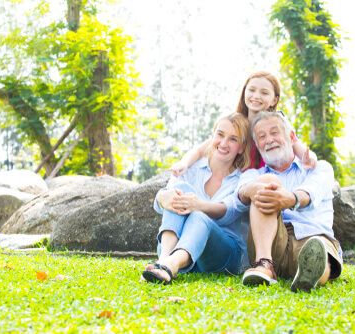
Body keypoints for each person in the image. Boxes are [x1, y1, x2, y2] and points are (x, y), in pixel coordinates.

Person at [232, 111, 342, 293]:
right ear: (258, 145)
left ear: (291, 137)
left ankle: (310, 275)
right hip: (268, 244)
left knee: (317, 252)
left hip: (312, 237)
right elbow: (240, 195)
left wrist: (290, 199)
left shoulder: (319, 168)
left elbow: (309, 193)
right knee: (267, 182)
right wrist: (259, 189)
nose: (269, 140)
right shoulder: (253, 175)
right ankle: (264, 265)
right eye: (262, 136)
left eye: (274, 133)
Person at [142, 113, 251, 284]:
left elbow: (230, 212)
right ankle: (163, 261)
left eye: (233, 139)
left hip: (223, 255)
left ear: (242, 147)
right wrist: (163, 196)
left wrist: (199, 205)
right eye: (220, 135)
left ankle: (170, 264)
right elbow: (163, 202)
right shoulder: (191, 167)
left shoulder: (242, 179)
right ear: (212, 136)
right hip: (184, 250)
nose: (223, 143)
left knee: (199, 215)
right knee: (180, 190)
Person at [169, 71, 317, 176]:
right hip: (238, 190)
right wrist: (184, 163)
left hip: (269, 185)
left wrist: (311, 160)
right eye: (251, 90)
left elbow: (303, 152)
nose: (256, 96)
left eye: (264, 93)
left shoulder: (276, 127)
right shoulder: (236, 125)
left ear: (275, 99)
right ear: (244, 92)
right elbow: (201, 150)